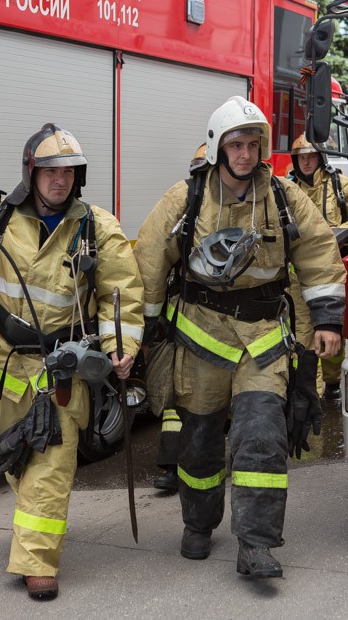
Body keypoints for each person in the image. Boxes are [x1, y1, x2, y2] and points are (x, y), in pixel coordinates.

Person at [134, 97, 345, 578]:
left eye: (253, 144)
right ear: (217, 148)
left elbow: (318, 254)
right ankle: (198, 524)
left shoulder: (283, 198)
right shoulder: (186, 199)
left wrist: (328, 320)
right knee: (199, 444)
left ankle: (256, 544)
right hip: (200, 341)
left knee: (262, 439)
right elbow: (149, 261)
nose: (246, 154)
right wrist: (144, 334)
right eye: (236, 145)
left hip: (262, 342)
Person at [0, 123, 144, 600]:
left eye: (68, 172)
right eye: (50, 171)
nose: (59, 180)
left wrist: (122, 346)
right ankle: (34, 523)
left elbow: (122, 294)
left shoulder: (96, 227)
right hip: (4, 370)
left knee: (51, 464)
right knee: (16, 460)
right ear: (31, 173)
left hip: (61, 372)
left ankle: (36, 562)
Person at [150, 143, 211, 495]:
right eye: (198, 171)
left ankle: (214, 461)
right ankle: (172, 466)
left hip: (225, 324)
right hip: (183, 317)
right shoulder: (183, 206)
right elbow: (155, 260)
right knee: (176, 395)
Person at [287, 134, 348, 400]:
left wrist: (340, 233)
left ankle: (332, 381)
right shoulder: (286, 189)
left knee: (332, 328)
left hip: (330, 272)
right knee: (303, 334)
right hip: (295, 277)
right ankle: (309, 396)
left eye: (311, 156)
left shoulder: (340, 185)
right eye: (301, 157)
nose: (306, 162)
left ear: (321, 157)